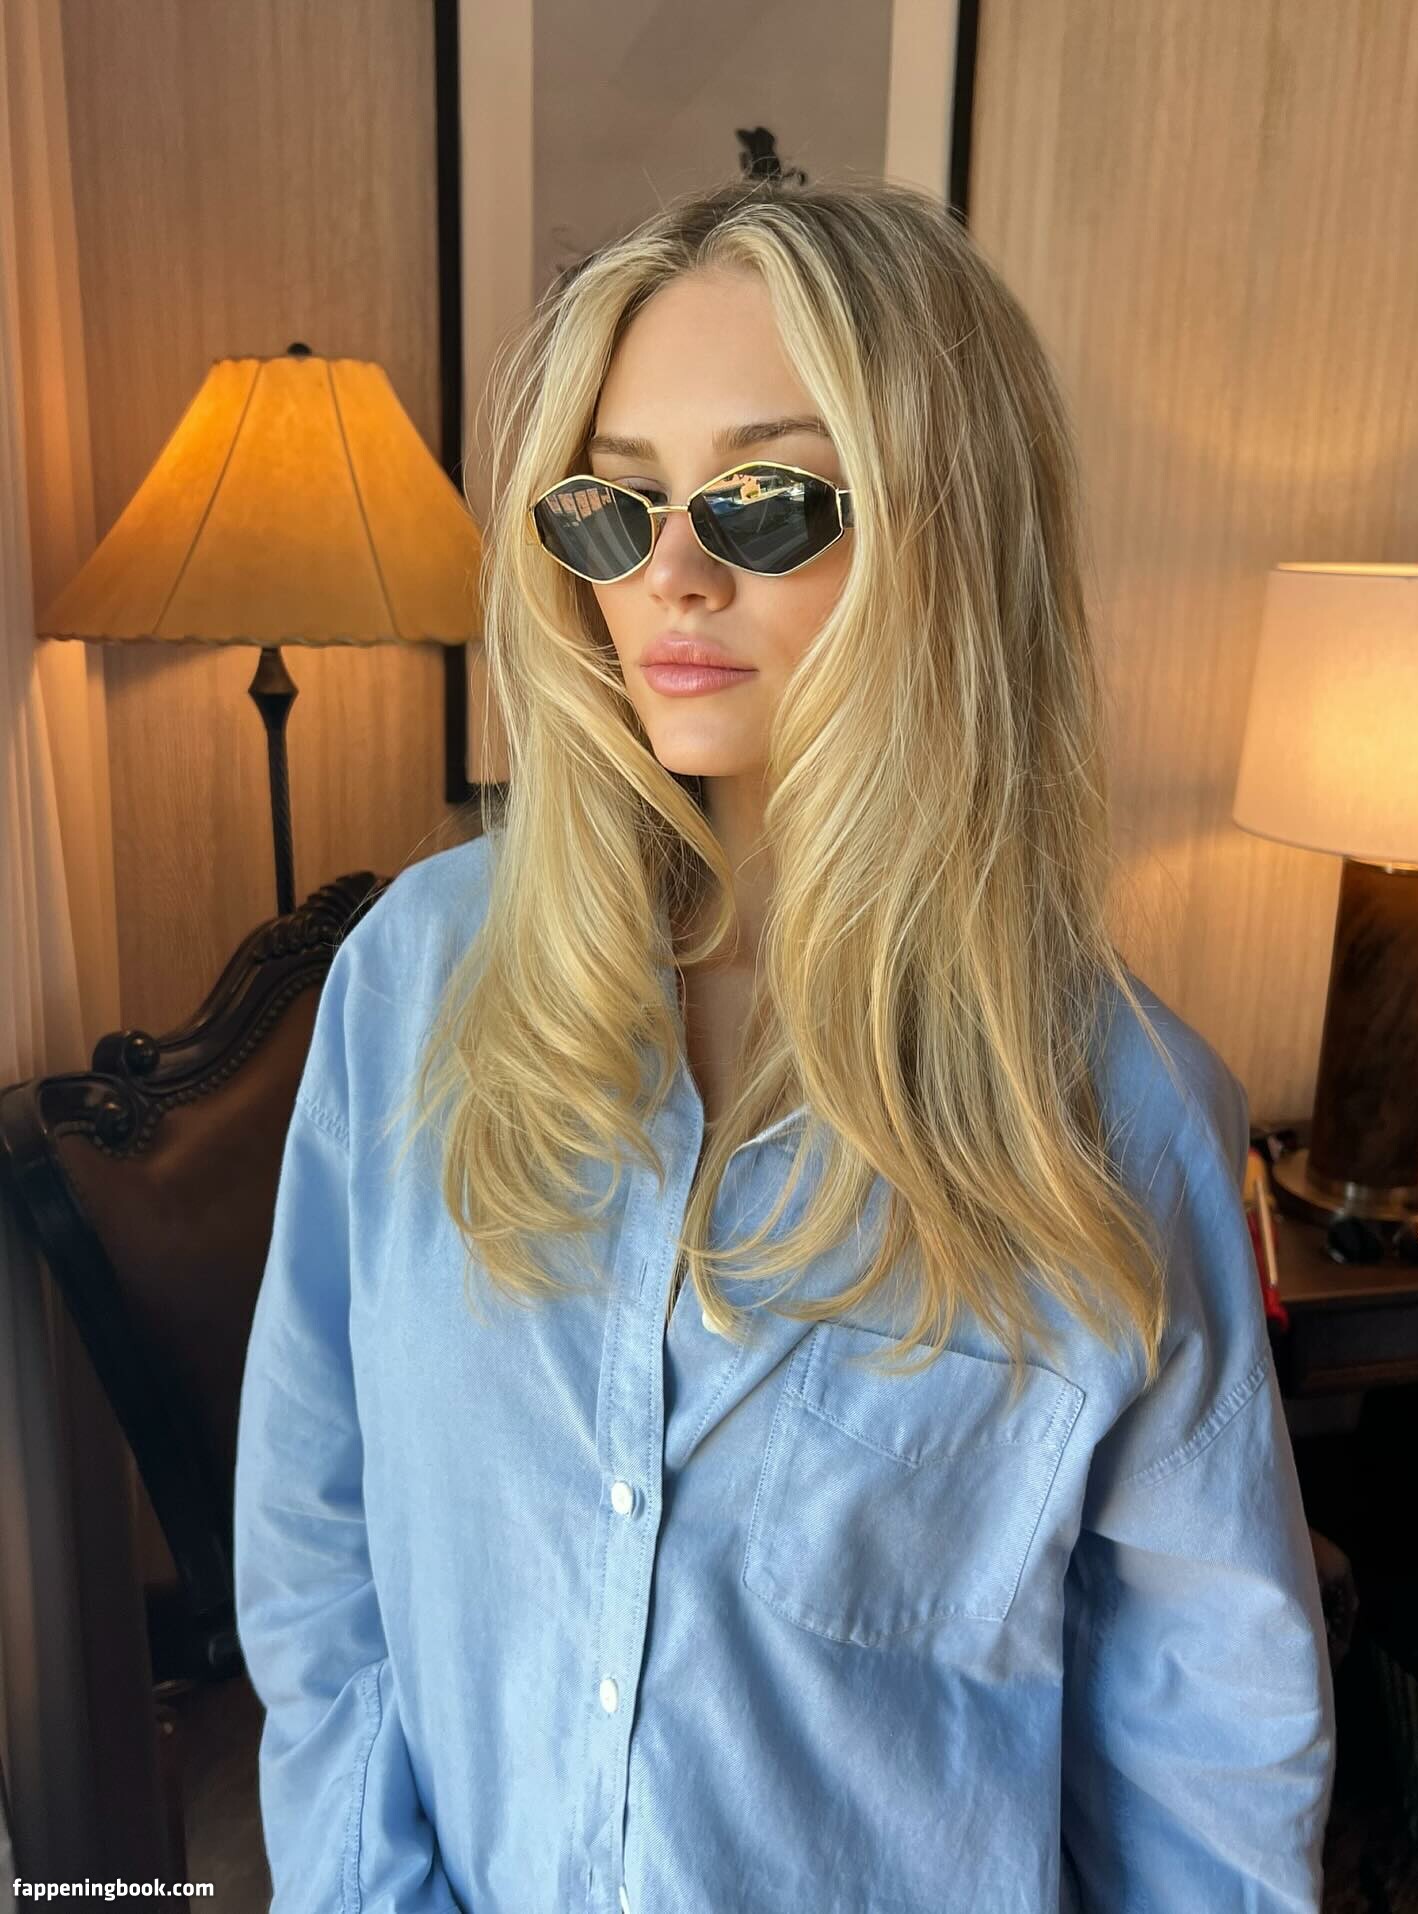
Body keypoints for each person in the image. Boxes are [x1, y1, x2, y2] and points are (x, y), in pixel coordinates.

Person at [233, 173, 1336, 1913]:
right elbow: (320, 1541)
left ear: (944, 528)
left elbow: (1211, 1744)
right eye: (614, 505)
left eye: (761, 502)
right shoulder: (414, 983)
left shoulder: (1116, 1112)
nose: (667, 575)